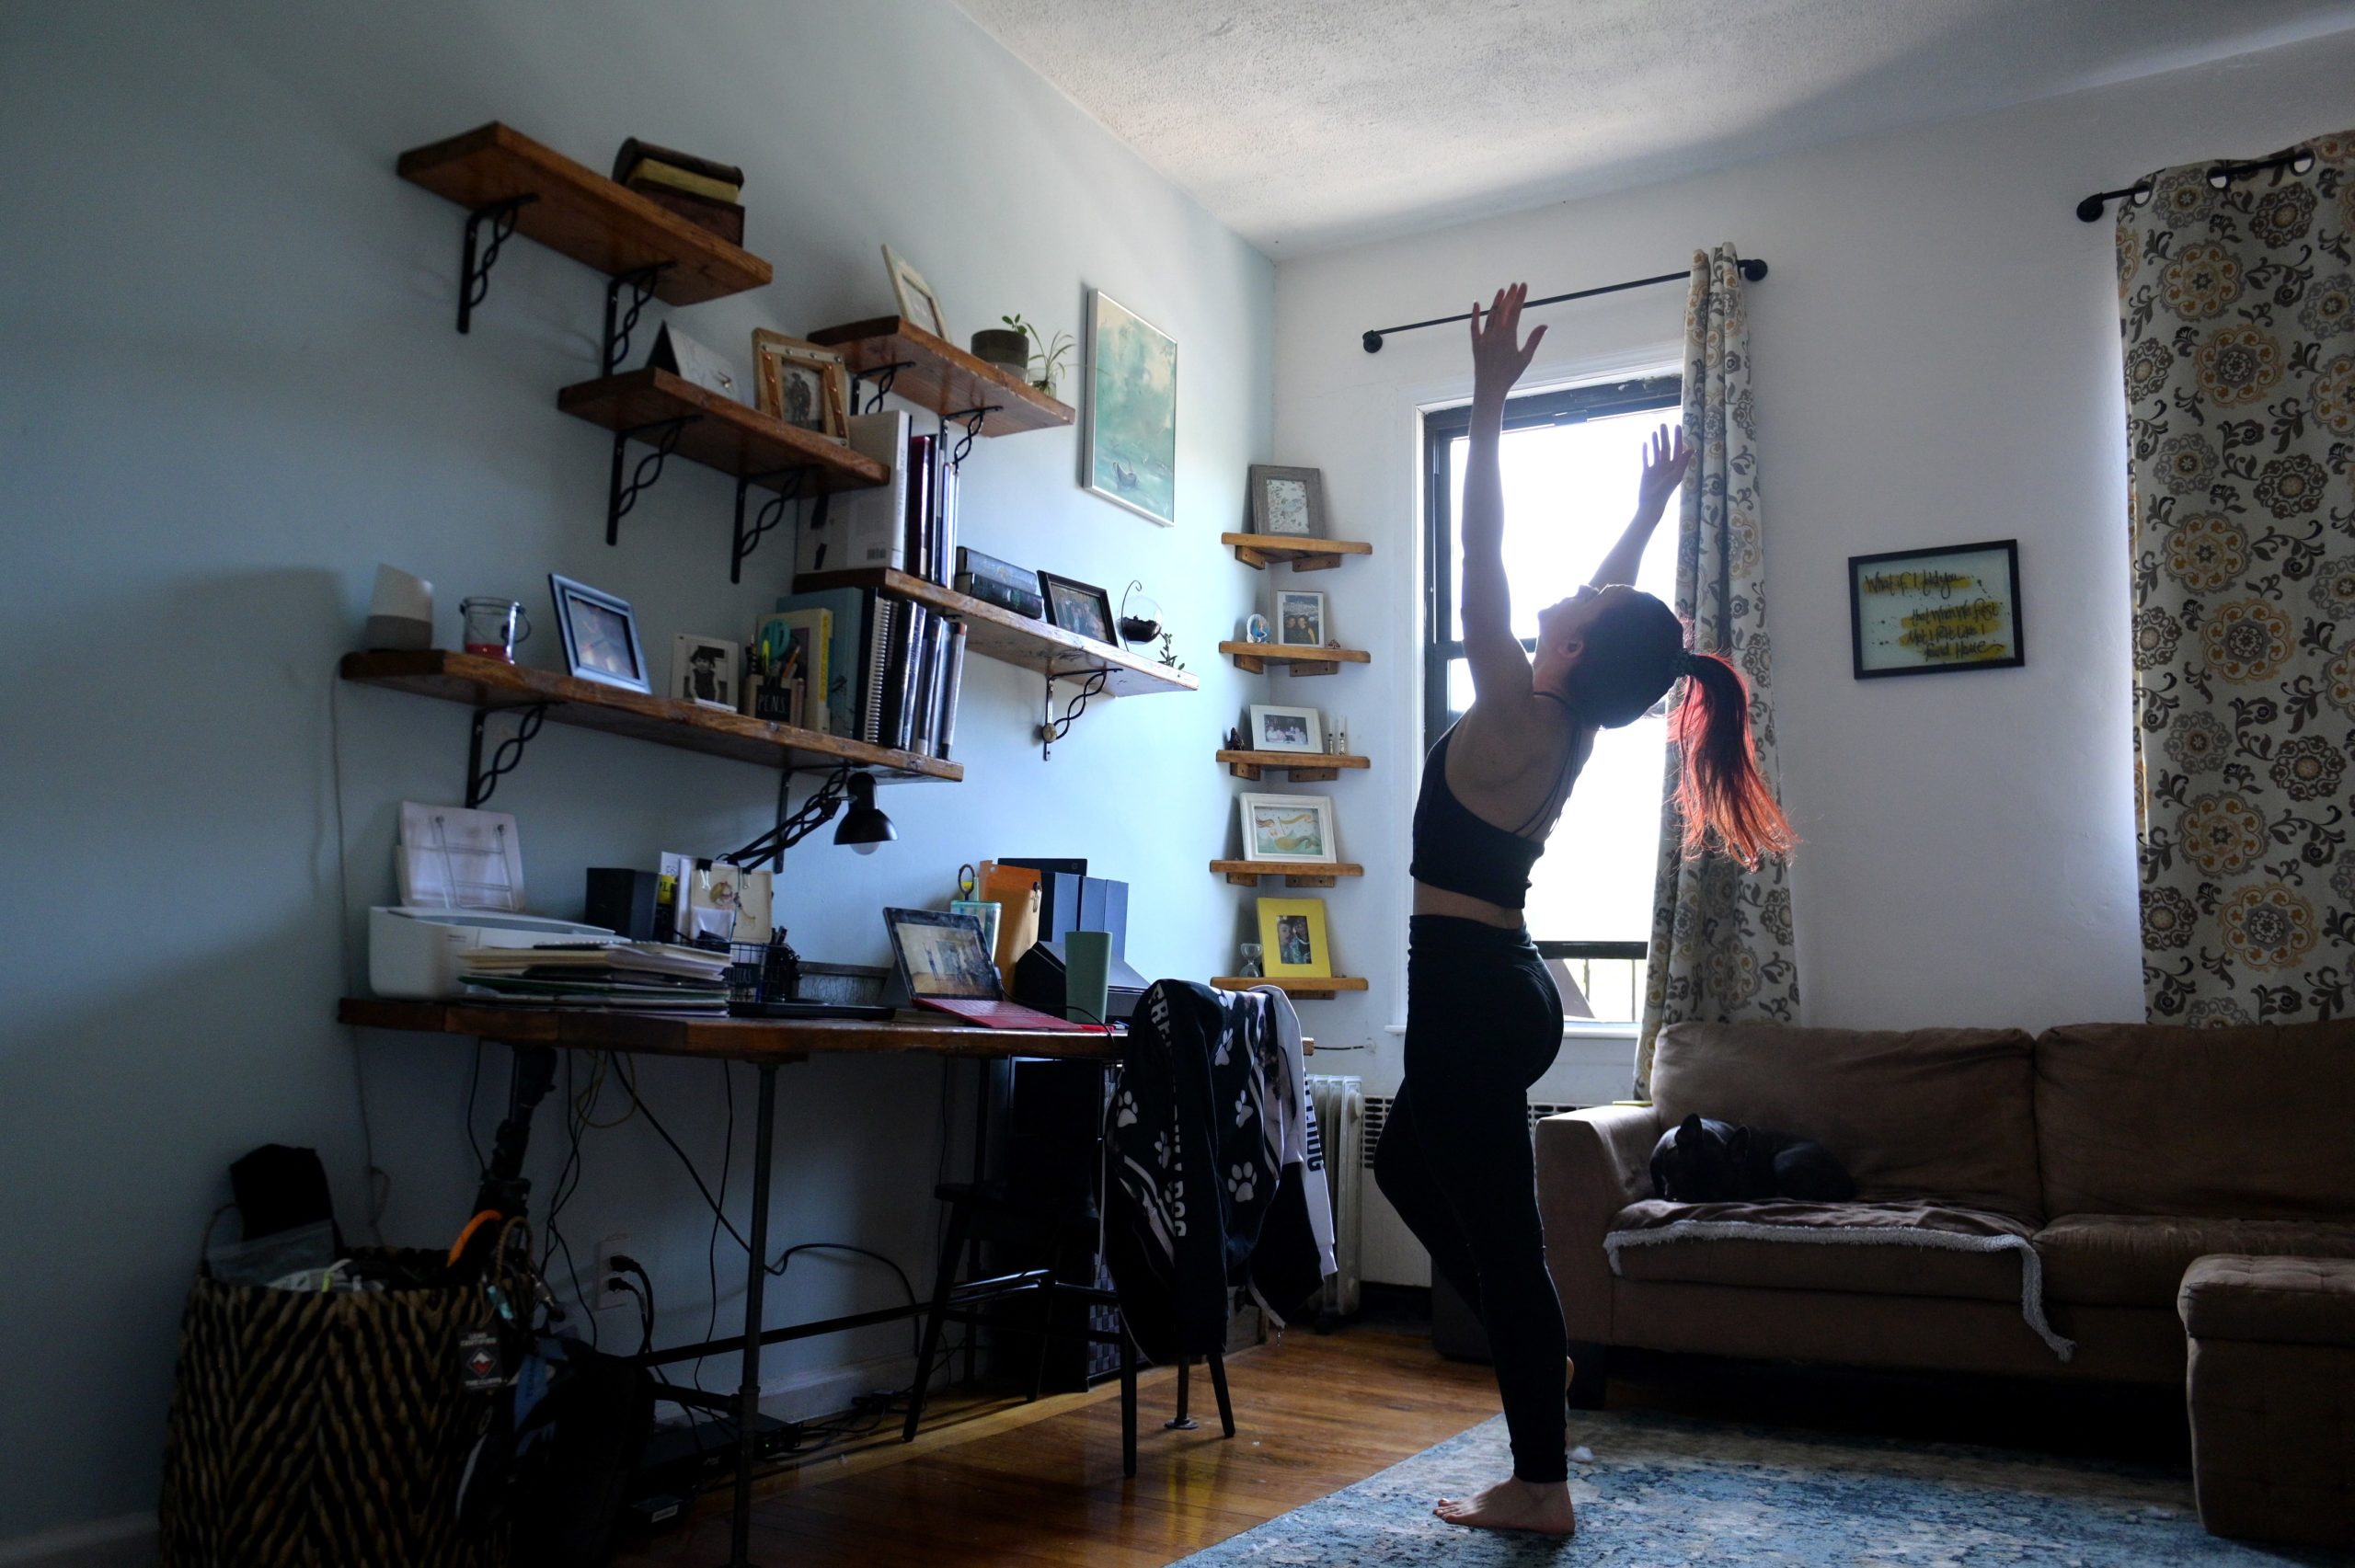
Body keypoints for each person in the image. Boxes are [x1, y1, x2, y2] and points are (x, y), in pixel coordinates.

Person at [1373, 283, 1795, 1536]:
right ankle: (1530, 1344)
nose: (1569, 596)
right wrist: (1646, 511)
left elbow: (1480, 566)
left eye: (1578, 611)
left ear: (1565, 653)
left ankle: (1540, 1479)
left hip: (1469, 993)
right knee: (1407, 1163)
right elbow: (1598, 616)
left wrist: (1491, 404)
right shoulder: (1566, 719)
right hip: (1497, 985)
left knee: (1504, 1240)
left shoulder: (1519, 709)